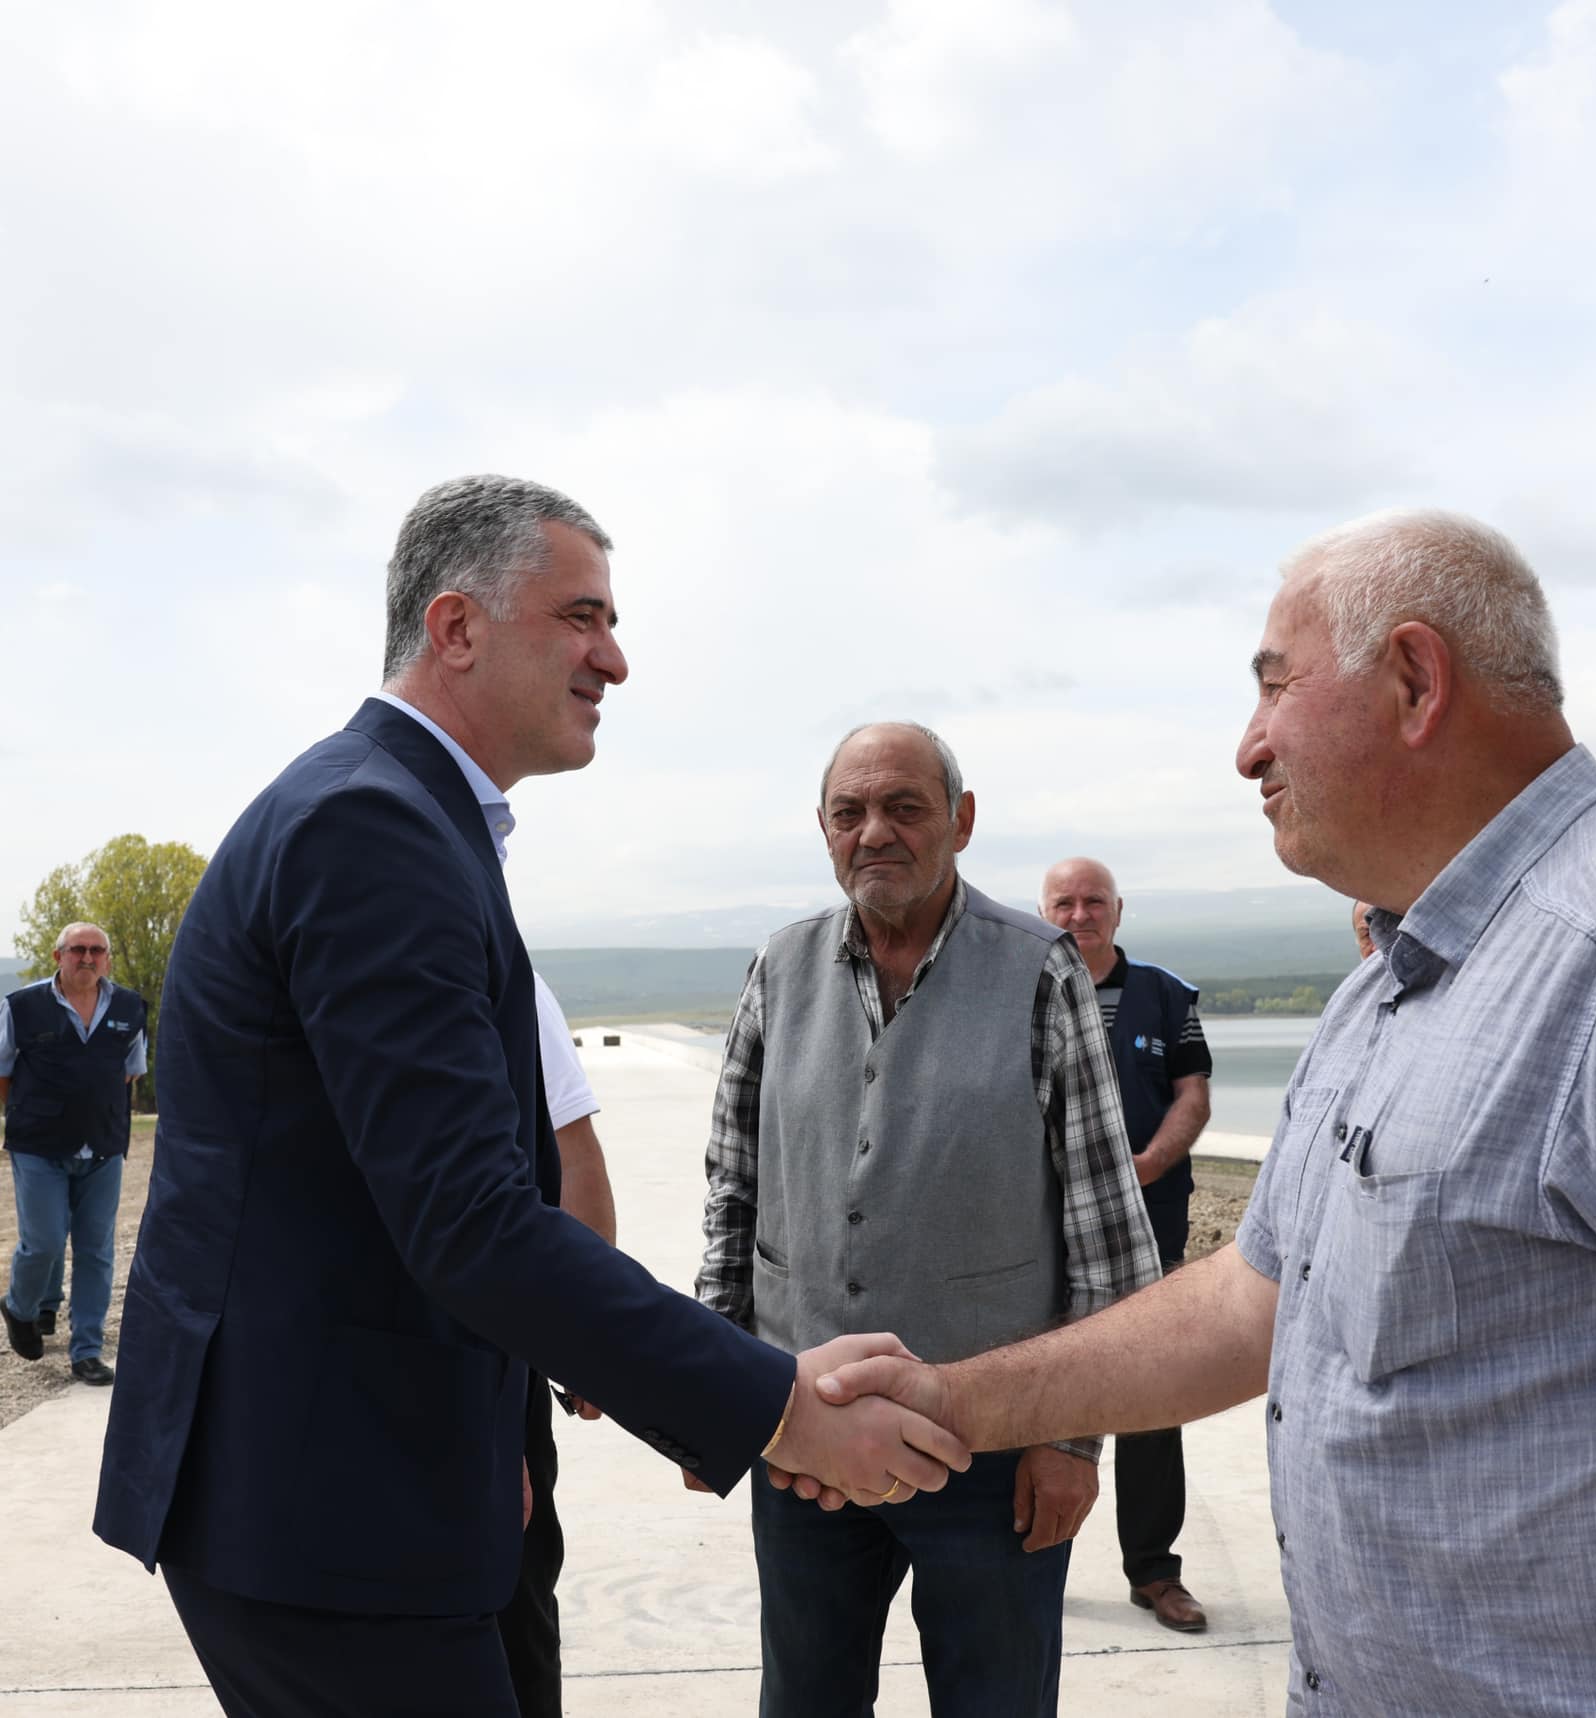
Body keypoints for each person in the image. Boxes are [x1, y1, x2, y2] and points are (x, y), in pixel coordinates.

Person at [810, 510, 1596, 1715]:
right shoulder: (1387, 986)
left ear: (1414, 680)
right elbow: (1251, 1299)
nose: (1246, 746)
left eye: (1273, 686)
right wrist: (951, 1400)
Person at [91, 476, 967, 1718]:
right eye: (581, 616)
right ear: (456, 627)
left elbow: (382, 1199)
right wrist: (778, 1408)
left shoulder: (403, 814)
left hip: (361, 1475)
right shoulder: (370, 826)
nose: (614, 658)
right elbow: (470, 1218)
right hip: (321, 1504)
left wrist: (489, 1424)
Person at [698, 721, 1159, 1718]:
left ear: (961, 820)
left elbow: (1106, 1232)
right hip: (803, 1435)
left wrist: (1073, 1442)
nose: (875, 832)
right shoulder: (778, 968)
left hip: (992, 1452)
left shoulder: (1040, 970)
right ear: (824, 828)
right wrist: (714, 1397)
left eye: (904, 807)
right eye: (849, 812)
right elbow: (734, 1189)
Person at [1038, 856, 1212, 1633]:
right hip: (1042, 1229)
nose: (1080, 915)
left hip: (1150, 1221)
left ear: (1118, 910)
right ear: (1045, 912)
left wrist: (1145, 1165)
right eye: (1064, 903)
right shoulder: (1021, 992)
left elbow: (1192, 1095)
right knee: (1038, 1390)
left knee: (1151, 1394)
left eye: (1094, 901)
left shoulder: (1168, 997)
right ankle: (1028, 1564)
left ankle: (1154, 1572)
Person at [497, 972, 617, 1718]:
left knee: (512, 1632)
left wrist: (587, 1340)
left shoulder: (510, 980)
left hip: (493, 1373)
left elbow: (574, 1154)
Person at [0, 922, 147, 1385]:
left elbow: (130, 1071)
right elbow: (3, 1072)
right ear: (58, 955)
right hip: (38, 1146)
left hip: (103, 1147)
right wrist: (34, 1113)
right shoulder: (21, 1007)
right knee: (44, 1241)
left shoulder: (129, 1007)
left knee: (96, 1250)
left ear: (107, 958)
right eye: (78, 949)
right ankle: (20, 1307)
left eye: (96, 950)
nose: (88, 957)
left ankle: (87, 1350)